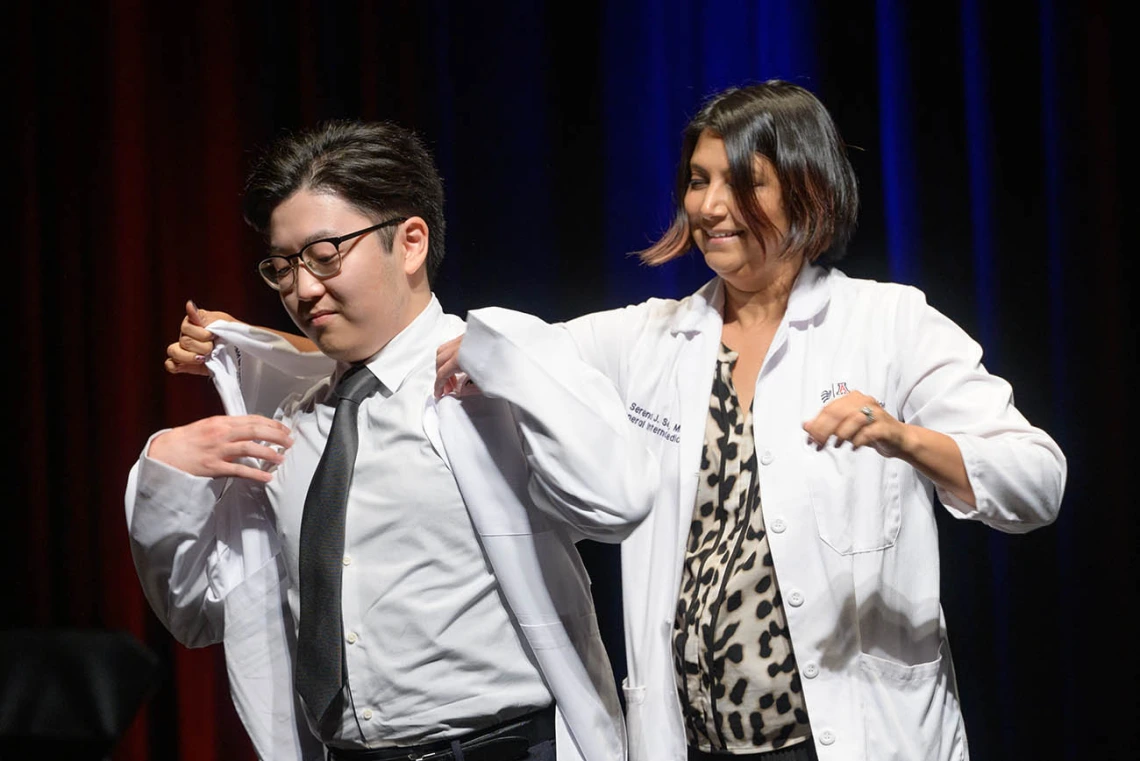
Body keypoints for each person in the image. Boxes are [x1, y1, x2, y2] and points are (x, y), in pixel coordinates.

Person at [171, 82, 1067, 761]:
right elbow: (433, 346)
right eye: (696, 180)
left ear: (808, 192)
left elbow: (1035, 478)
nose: (706, 206)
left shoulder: (889, 324)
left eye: (738, 184)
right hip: (694, 737)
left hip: (851, 731)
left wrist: (903, 437)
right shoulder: (651, 337)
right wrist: (253, 340)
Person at [127, 120, 654, 761]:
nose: (302, 288)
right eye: (282, 266)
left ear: (408, 243)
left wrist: (518, 368)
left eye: (325, 256)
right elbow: (196, 614)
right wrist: (164, 478)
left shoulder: (493, 381)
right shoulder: (292, 428)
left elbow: (618, 504)